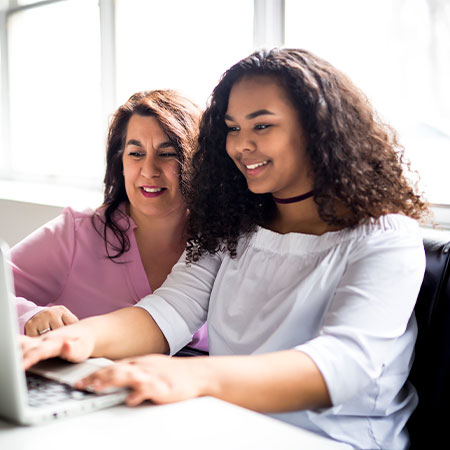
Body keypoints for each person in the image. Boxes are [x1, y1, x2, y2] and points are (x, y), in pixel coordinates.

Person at [22, 49, 428, 449]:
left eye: (262, 126)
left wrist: (195, 377)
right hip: (228, 426)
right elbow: (168, 310)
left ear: (318, 129)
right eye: (233, 128)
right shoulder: (234, 225)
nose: (241, 146)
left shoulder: (386, 237)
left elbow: (343, 364)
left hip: (335, 439)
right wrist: (74, 339)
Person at [12, 89, 207, 351]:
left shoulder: (222, 245)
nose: (149, 170)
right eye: (136, 153)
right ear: (121, 162)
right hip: (88, 387)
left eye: (167, 153)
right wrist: (28, 315)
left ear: (197, 160)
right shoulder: (76, 233)